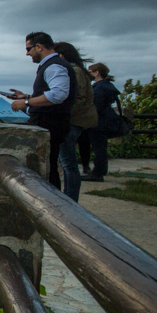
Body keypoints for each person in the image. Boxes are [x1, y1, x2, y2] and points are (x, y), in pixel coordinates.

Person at [10, 32, 75, 190]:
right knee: (48, 168)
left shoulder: (54, 66)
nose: (27, 54)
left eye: (28, 49)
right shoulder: (53, 64)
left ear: (38, 47)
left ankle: (55, 209)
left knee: (47, 170)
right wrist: (27, 96)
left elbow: (59, 94)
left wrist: (27, 102)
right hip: (52, 123)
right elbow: (52, 93)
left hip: (50, 124)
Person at [53, 42, 97, 201]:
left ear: (61, 56)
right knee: (68, 164)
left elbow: (78, 98)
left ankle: (70, 201)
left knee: (68, 165)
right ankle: (70, 199)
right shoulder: (80, 71)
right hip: (77, 122)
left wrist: (63, 115)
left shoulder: (75, 72)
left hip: (72, 122)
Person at [85, 62, 122, 182]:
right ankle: (100, 171)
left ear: (97, 73)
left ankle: (98, 173)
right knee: (101, 147)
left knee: (99, 148)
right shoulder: (107, 86)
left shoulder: (100, 88)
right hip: (105, 120)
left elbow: (97, 106)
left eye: (90, 72)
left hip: (99, 122)